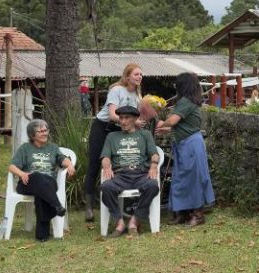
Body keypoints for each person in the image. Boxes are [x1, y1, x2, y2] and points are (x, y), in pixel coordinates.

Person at [83, 63, 144, 222]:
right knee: (95, 164)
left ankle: (121, 205)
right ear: (128, 76)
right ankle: (89, 206)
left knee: (121, 163)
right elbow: (112, 114)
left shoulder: (138, 96)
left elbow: (139, 116)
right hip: (103, 128)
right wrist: (132, 122)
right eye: (136, 74)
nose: (139, 77)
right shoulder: (117, 90)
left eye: (140, 75)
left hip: (120, 130)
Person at [155, 73, 215, 227]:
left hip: (191, 146)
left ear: (183, 85)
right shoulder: (187, 102)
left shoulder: (185, 101)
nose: (175, 86)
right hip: (186, 144)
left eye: (178, 83)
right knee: (181, 179)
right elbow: (183, 126)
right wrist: (167, 130)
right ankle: (182, 213)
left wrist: (162, 124)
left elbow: (174, 120)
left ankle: (198, 215)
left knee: (193, 179)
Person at [8, 119, 75, 241]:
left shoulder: (53, 148)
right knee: (38, 177)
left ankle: (42, 235)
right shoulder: (25, 148)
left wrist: (69, 164)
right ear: (32, 135)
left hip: (48, 183)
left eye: (46, 130)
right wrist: (21, 173)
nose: (45, 133)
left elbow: (62, 159)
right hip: (28, 182)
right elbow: (12, 166)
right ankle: (57, 205)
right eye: (41, 131)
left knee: (41, 191)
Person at [100, 105, 160, 236]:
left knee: (153, 186)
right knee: (106, 187)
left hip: (140, 174)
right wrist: (106, 165)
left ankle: (134, 221)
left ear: (135, 119)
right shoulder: (112, 136)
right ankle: (119, 222)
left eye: (127, 118)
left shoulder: (145, 135)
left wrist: (154, 165)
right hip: (120, 175)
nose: (123, 121)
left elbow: (154, 154)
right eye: (121, 118)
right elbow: (105, 156)